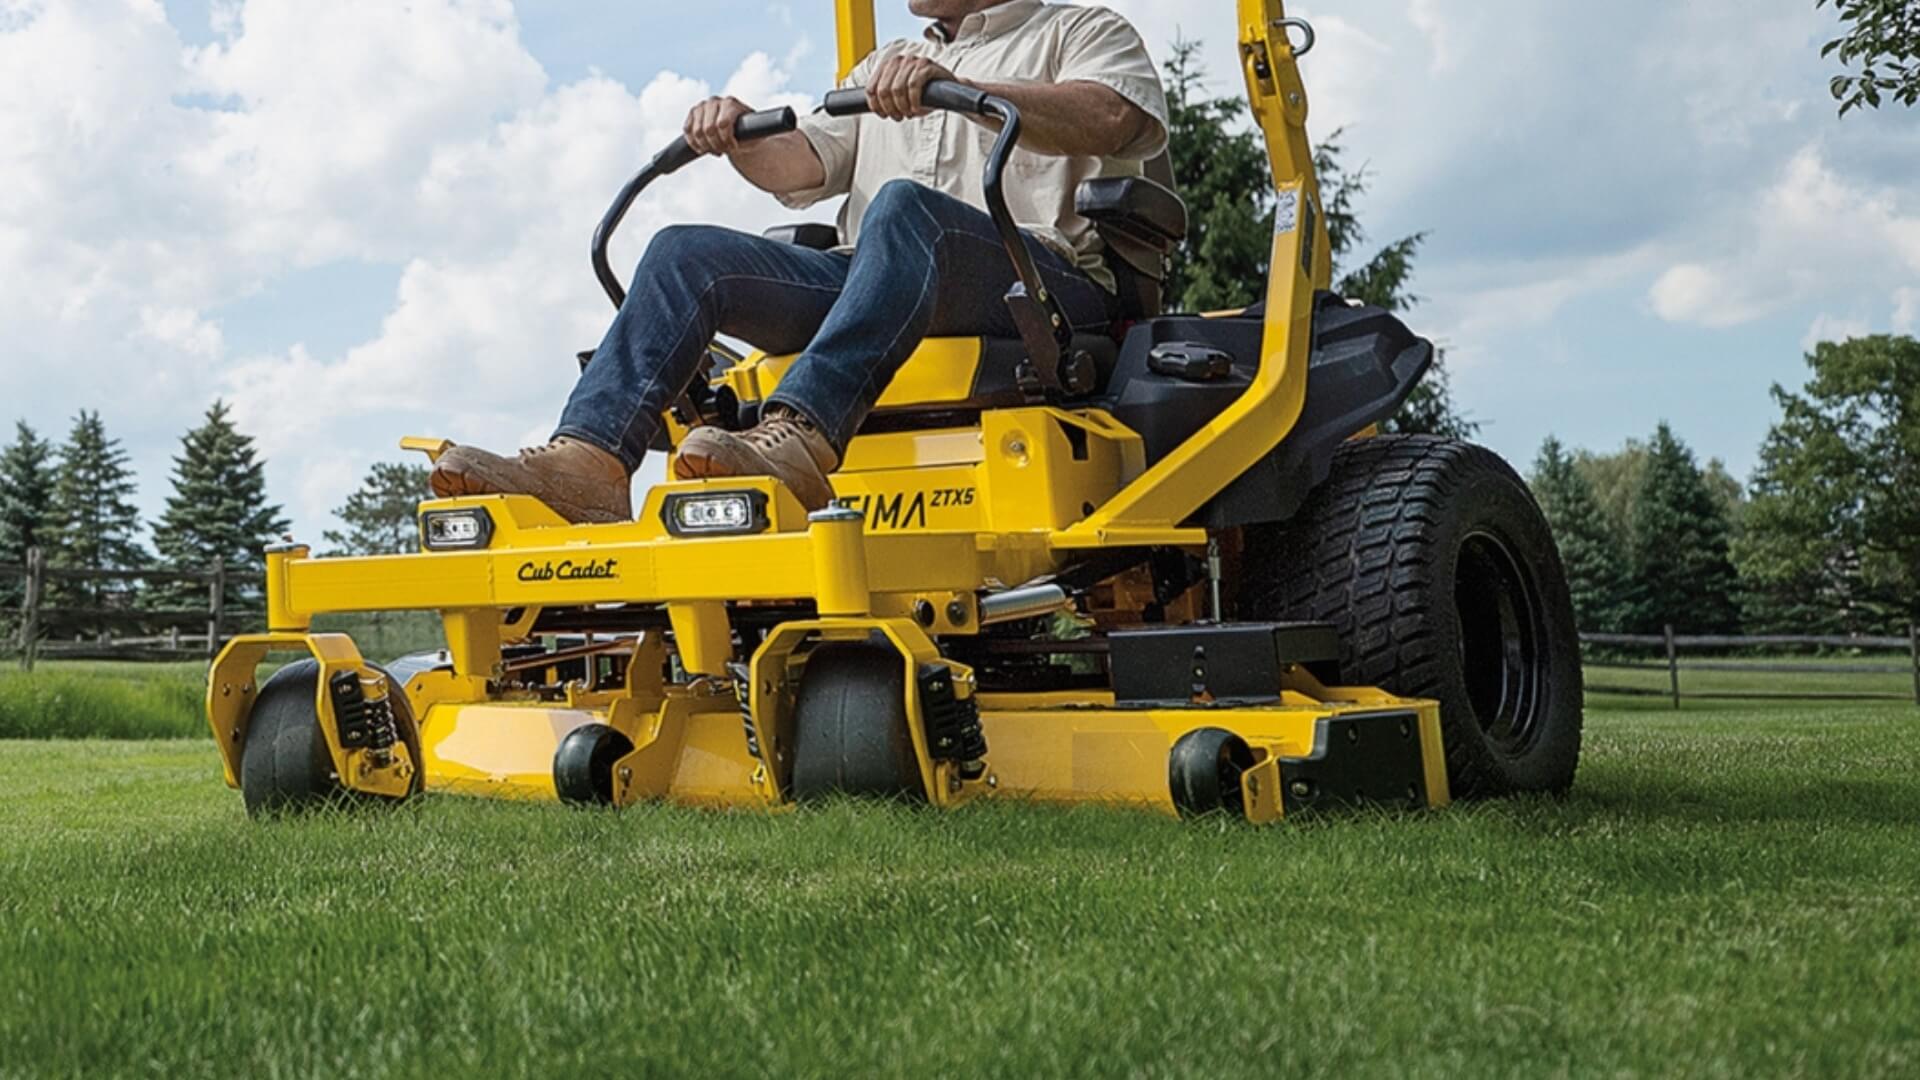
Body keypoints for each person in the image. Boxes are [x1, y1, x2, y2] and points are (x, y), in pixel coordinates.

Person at [431, 0, 1169, 521]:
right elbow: (805, 163)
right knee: (684, 252)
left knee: (905, 209)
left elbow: (1113, 116)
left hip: (1035, 282)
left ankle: (799, 438)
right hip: (880, 277)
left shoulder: (1079, 30)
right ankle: (588, 463)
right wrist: (737, 134)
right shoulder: (886, 65)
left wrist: (968, 93)